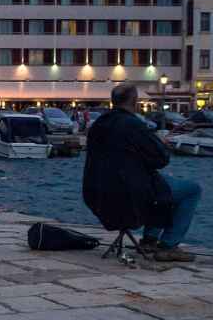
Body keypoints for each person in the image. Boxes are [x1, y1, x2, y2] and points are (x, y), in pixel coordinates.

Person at [83, 83, 201, 263]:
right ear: (135, 101)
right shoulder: (133, 124)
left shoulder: (99, 124)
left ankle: (150, 240)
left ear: (113, 101)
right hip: (128, 196)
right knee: (192, 190)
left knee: (162, 183)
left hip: (97, 195)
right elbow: (160, 160)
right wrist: (160, 143)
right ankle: (168, 246)